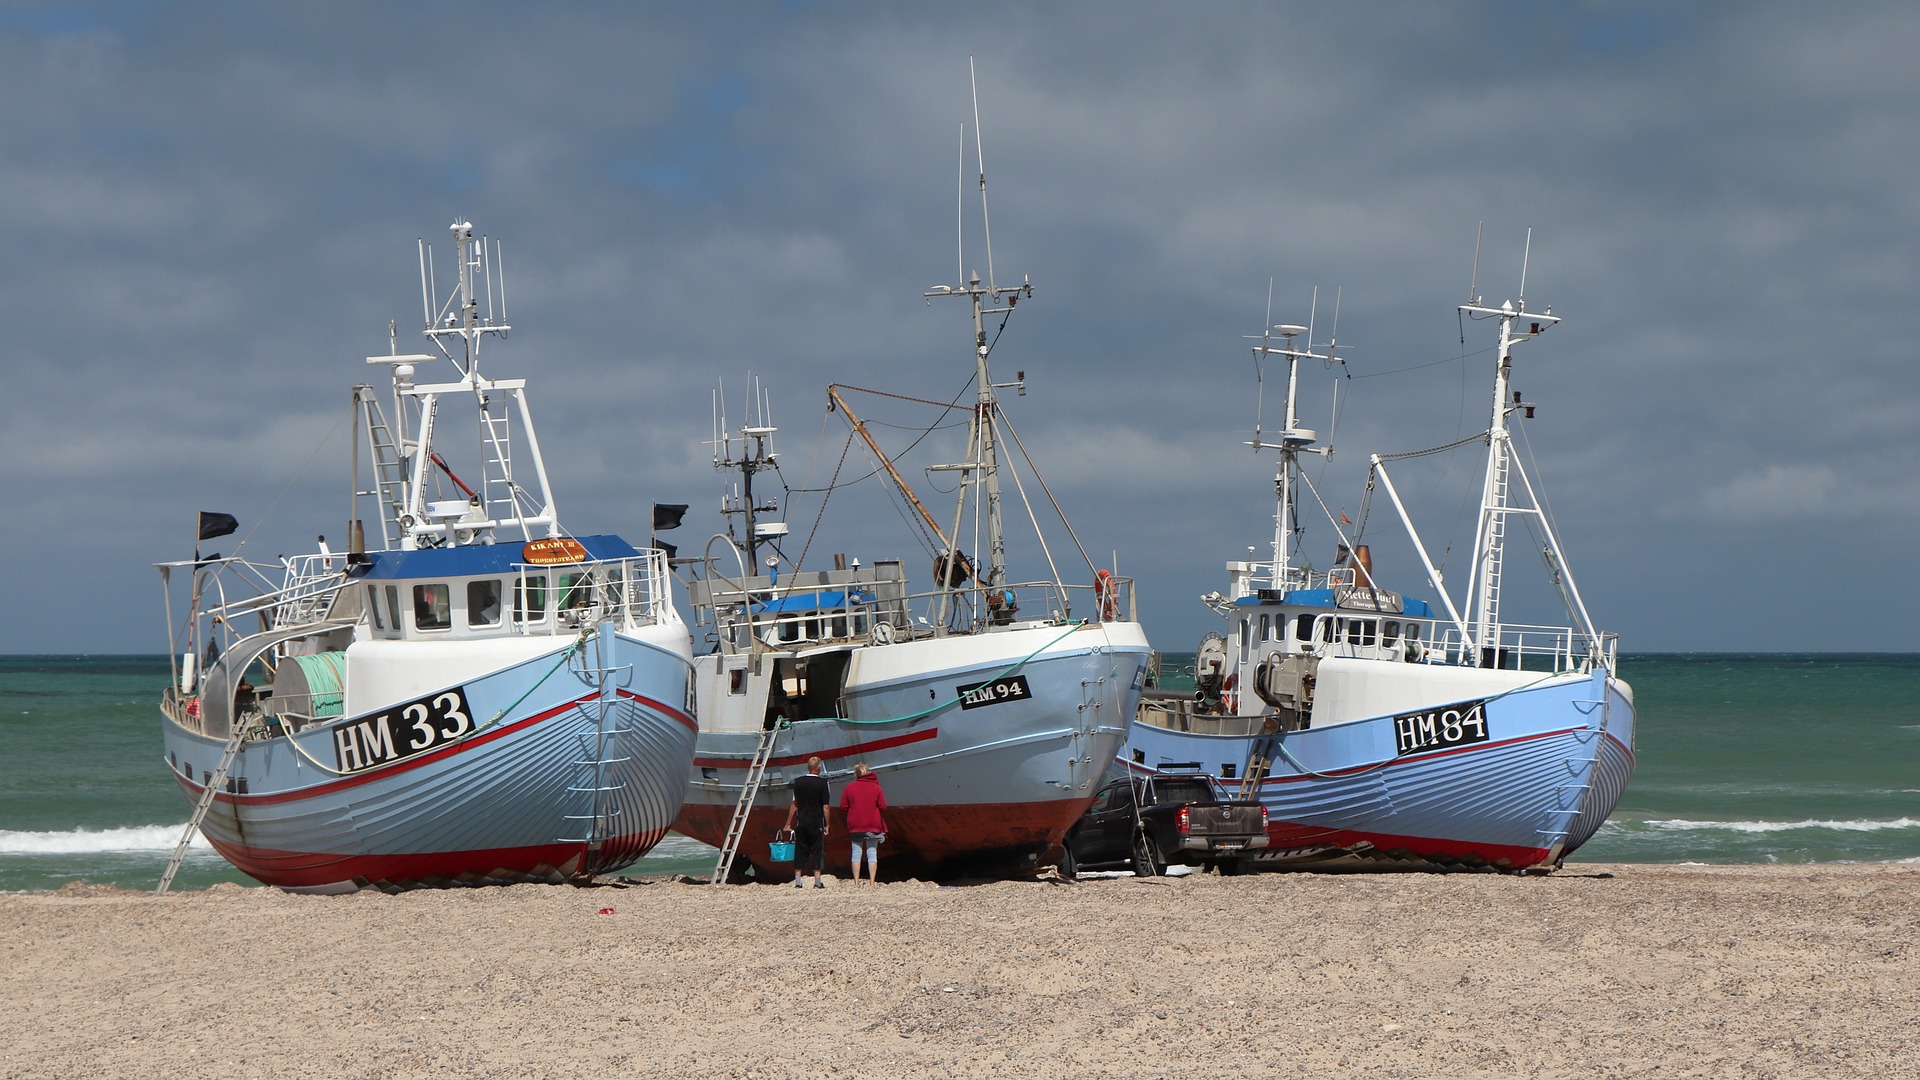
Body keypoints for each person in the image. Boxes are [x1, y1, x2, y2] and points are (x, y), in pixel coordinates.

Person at [783, 756, 831, 889]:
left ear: (808, 767)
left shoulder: (798, 782)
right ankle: (817, 881)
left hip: (802, 822)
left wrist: (788, 823)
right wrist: (827, 824)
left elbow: (794, 804)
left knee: (800, 849)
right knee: (817, 850)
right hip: (816, 822)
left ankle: (798, 880)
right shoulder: (823, 783)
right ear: (819, 768)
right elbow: (825, 806)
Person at [838, 761, 887, 884]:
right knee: (872, 853)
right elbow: (883, 806)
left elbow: (843, 806)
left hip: (855, 824)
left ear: (857, 774)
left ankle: (856, 882)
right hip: (873, 823)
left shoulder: (849, 787)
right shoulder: (876, 787)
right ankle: (871, 882)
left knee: (856, 853)